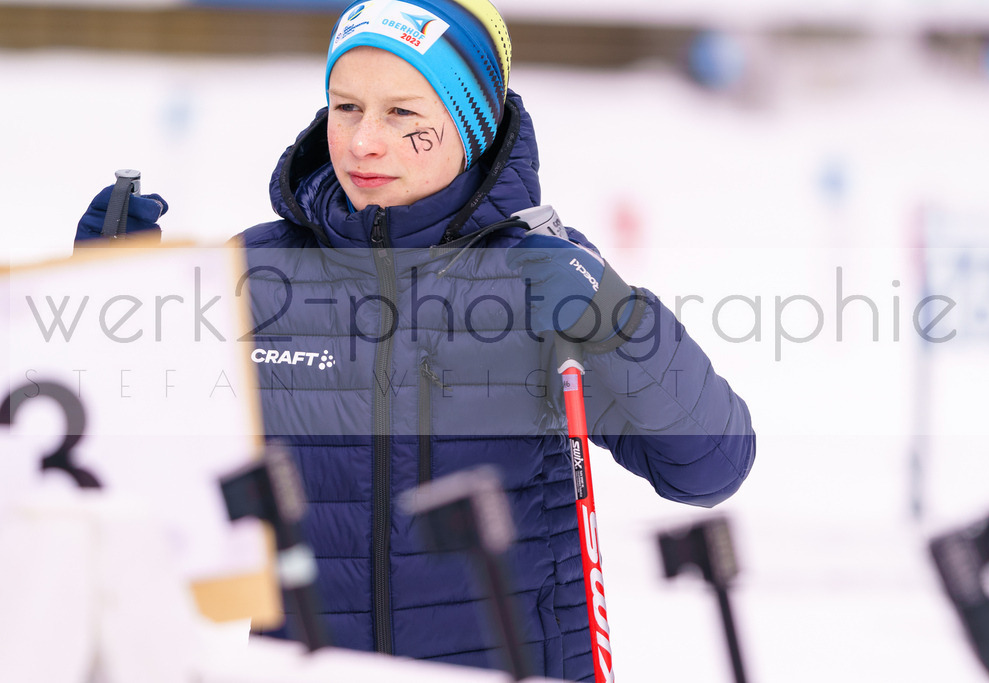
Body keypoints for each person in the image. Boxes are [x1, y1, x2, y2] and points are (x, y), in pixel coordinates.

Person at [74, 0, 756, 680]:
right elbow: (129, 479)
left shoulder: (544, 275)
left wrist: (615, 318)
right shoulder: (256, 272)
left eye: (403, 113)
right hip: (312, 667)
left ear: (470, 125)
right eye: (346, 107)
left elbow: (707, 465)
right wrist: (113, 300)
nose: (365, 140)